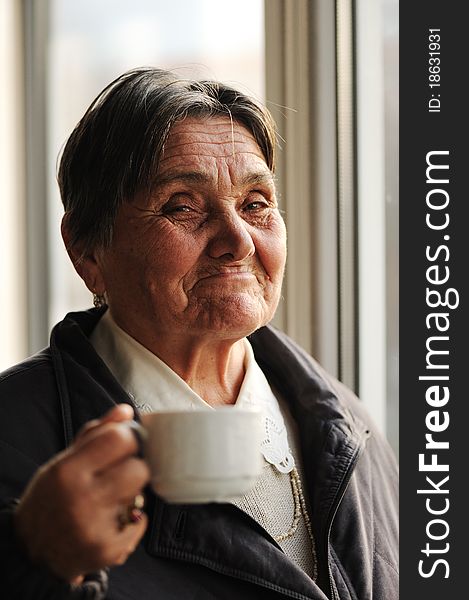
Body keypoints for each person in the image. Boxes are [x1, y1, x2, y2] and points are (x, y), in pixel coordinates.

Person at [0, 67, 398, 599]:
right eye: (183, 206)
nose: (238, 240)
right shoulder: (14, 435)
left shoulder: (348, 427)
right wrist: (31, 559)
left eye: (256, 204)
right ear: (87, 249)